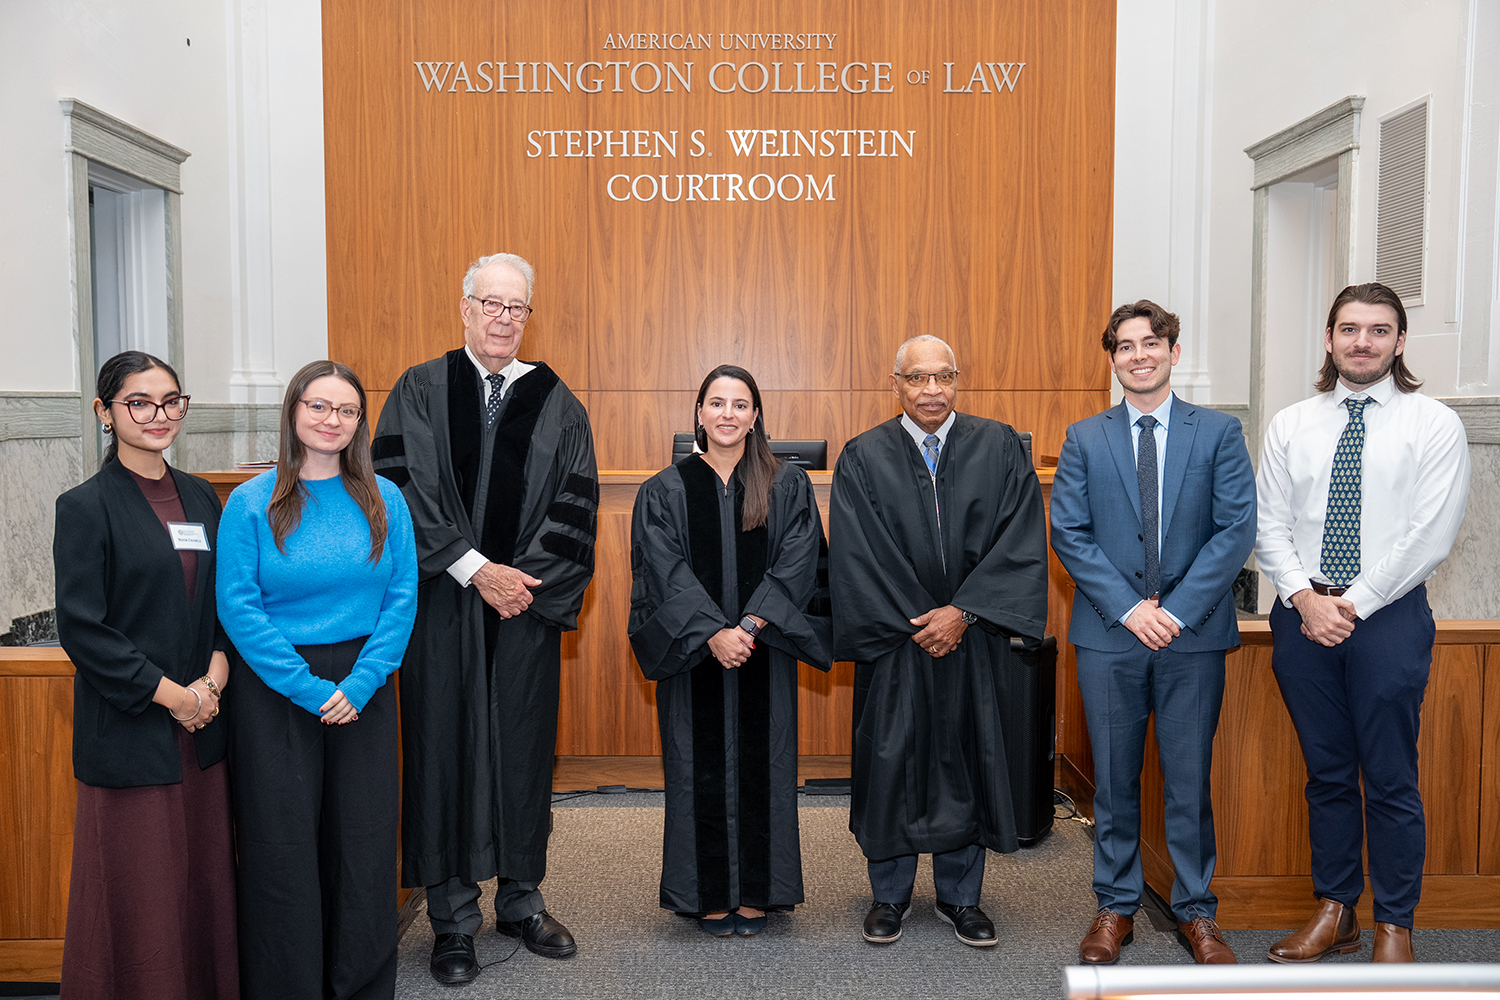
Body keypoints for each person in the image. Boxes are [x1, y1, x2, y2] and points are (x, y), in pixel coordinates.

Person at [371, 252, 599, 985]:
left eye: (516, 307)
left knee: (523, 751)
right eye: (490, 304)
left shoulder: (559, 402)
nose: (503, 318)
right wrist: (474, 568)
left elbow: (576, 509)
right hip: (442, 606)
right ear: (464, 308)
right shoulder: (419, 389)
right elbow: (397, 490)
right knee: (444, 748)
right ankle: (452, 918)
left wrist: (518, 584)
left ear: (529, 317)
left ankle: (522, 900)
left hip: (522, 612)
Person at [1256, 282, 1470, 964]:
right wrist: (1304, 597)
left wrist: (1355, 603)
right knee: (1325, 772)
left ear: (1399, 342)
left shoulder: (1433, 423)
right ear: (1329, 339)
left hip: (1387, 616)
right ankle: (1337, 910)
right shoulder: (1292, 423)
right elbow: (1269, 522)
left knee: (1389, 775)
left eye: (1379, 330)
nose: (1362, 342)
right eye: (1349, 329)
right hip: (1302, 615)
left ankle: (1395, 925)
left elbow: (1429, 534)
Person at [1049, 301, 1256, 965]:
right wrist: (1132, 609)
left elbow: (1234, 531)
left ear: (1172, 350)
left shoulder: (1219, 434)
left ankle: (1196, 912)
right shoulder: (1085, 437)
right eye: (1125, 347)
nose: (1138, 355)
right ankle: (1115, 907)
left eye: (1151, 343)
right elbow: (1069, 534)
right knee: (1114, 780)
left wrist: (1175, 609)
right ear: (1113, 359)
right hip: (1111, 636)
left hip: (1191, 638)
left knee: (1188, 781)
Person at [830, 334, 1048, 949]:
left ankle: (961, 897)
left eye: (943, 377)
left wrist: (965, 612)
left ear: (958, 380)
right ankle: (890, 895)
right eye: (918, 378)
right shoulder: (863, 456)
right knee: (892, 759)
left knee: (968, 756)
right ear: (895, 383)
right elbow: (857, 553)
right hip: (898, 641)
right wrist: (922, 620)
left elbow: (1020, 538)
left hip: (972, 640)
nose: (932, 391)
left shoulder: (999, 446)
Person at [217, 360, 417, 999]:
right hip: (275, 688)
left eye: (347, 411)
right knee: (281, 849)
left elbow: (402, 597)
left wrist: (359, 685)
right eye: (318, 407)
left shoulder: (386, 499)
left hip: (363, 685)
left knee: (362, 846)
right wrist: (310, 689)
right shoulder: (251, 502)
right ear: (293, 412)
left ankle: (360, 987)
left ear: (360, 423)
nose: (332, 421)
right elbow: (238, 607)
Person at [53, 350, 237, 999]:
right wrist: (172, 698)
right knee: (142, 890)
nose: (158, 415)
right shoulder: (85, 506)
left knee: (200, 880)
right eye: (139, 402)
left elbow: (223, 605)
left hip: (201, 726)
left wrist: (209, 686)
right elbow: (84, 629)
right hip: (133, 727)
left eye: (170, 401)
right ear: (106, 412)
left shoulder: (200, 498)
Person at [628, 365, 832, 936]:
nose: (727, 414)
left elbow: (800, 556)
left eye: (740, 405)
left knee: (766, 760)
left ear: (756, 416)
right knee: (697, 763)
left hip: (763, 648)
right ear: (698, 414)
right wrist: (713, 632)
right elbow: (660, 569)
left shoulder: (786, 484)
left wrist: (749, 623)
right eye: (716, 403)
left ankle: (759, 892)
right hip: (697, 654)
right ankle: (707, 892)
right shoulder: (663, 490)